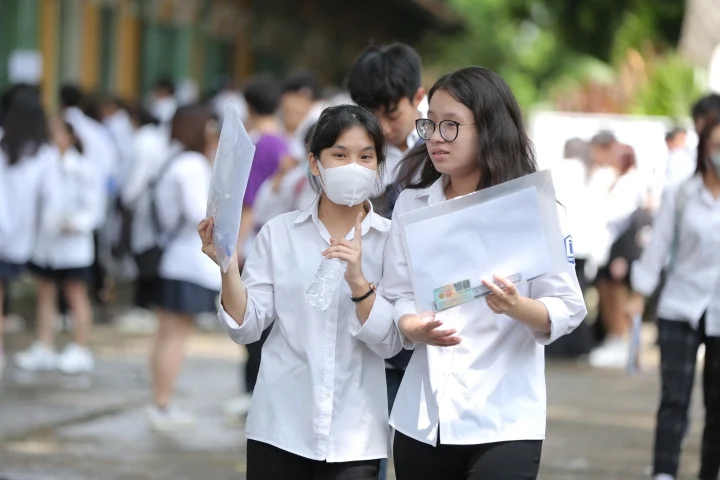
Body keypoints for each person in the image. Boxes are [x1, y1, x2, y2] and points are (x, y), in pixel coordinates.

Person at [382, 66, 587, 480]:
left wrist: (516, 306)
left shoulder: (534, 209)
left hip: (505, 417)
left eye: (451, 125)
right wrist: (411, 325)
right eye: (431, 123)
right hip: (424, 417)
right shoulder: (412, 205)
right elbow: (397, 293)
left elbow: (568, 306)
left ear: (490, 128)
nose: (436, 137)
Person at [198, 104, 402, 479]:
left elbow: (390, 343)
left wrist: (358, 282)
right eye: (339, 155)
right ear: (314, 162)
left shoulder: (391, 241)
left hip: (354, 434)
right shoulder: (280, 233)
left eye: (365, 156)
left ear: (379, 166)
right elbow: (246, 327)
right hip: (280, 426)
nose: (353, 166)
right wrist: (227, 266)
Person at [346, 43, 427, 480]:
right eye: (369, 113)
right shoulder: (356, 157)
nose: (381, 126)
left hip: (425, 318)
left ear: (419, 97)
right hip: (372, 318)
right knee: (365, 449)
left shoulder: (443, 149)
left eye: (391, 113)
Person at [627, 116, 720, 480]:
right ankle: (664, 472)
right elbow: (659, 246)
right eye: (716, 145)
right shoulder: (683, 193)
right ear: (704, 149)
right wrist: (640, 294)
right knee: (674, 397)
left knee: (718, 404)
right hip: (680, 306)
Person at [145, 104, 221, 431]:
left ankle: (161, 402)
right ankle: (162, 404)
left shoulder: (173, 159)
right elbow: (198, 213)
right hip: (188, 262)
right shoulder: (191, 164)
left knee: (166, 334)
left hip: (175, 259)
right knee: (174, 336)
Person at [15, 119, 102, 374]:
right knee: (45, 292)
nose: (54, 138)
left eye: (58, 133)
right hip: (48, 241)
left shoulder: (83, 167)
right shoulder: (44, 163)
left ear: (71, 136)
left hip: (74, 241)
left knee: (75, 294)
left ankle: (80, 347)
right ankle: (44, 344)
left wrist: (75, 223)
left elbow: (94, 207)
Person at [0, 89, 55, 372]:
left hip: (3, 228)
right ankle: (43, 342)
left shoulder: (2, 142)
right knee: (43, 290)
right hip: (27, 234)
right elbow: (49, 197)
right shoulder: (44, 153)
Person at [347, 42, 427, 215]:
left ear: (418, 97)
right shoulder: (356, 149)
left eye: (393, 116)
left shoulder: (439, 145)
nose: (383, 129)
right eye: (371, 117)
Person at [589, 145, 647, 368]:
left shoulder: (631, 183)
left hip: (623, 247)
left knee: (619, 294)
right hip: (608, 246)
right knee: (606, 291)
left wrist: (622, 255)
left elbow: (624, 218)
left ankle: (622, 340)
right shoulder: (614, 180)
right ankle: (614, 337)